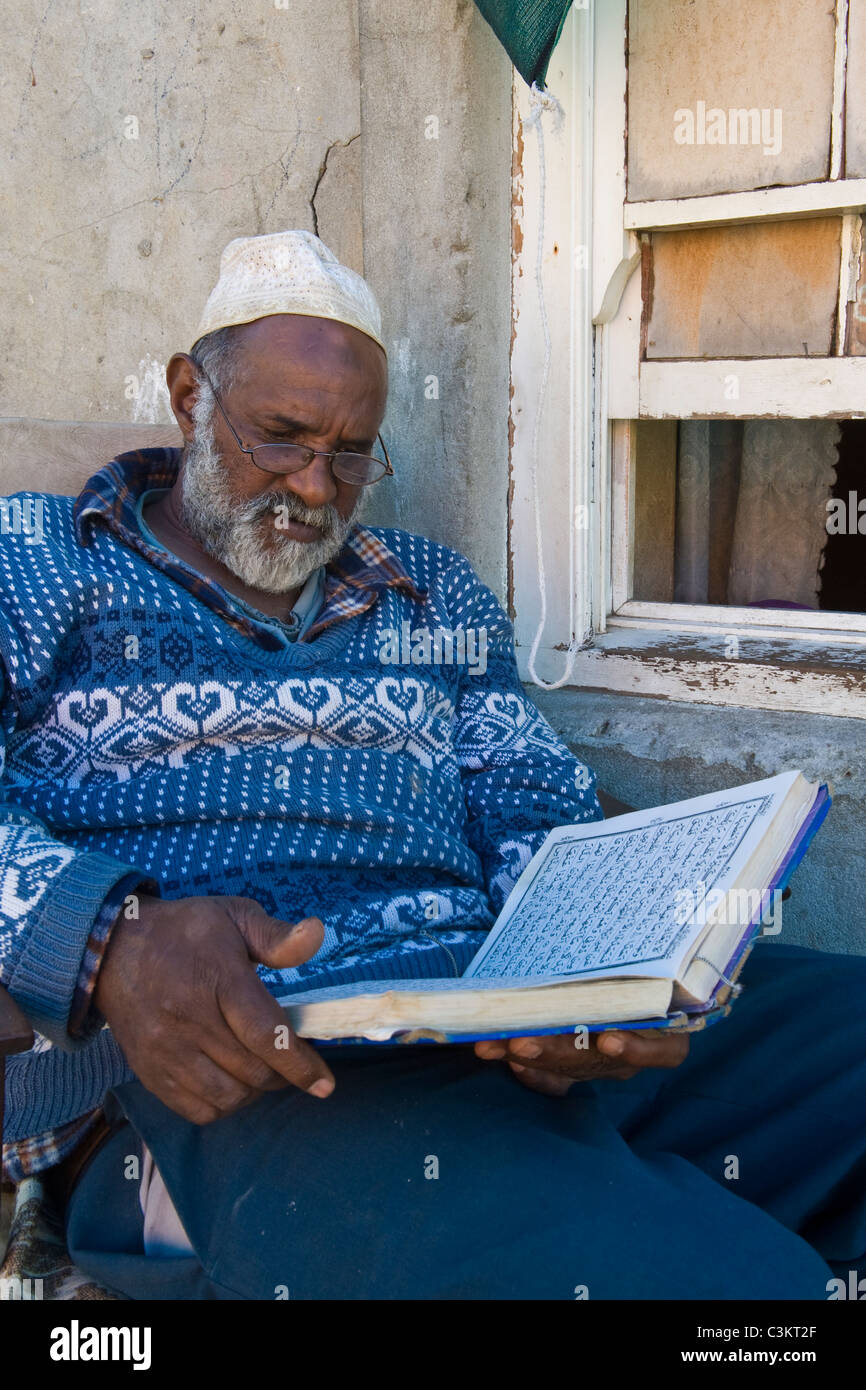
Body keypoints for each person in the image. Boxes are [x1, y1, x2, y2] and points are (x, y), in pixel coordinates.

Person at [1, 231, 864, 1299]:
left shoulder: (429, 592)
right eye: (279, 437)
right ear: (188, 395)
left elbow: (529, 799)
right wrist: (105, 941)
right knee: (711, 1286)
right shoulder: (36, 558)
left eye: (352, 451)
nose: (315, 488)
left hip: (495, 1019)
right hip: (257, 1063)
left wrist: (596, 980)